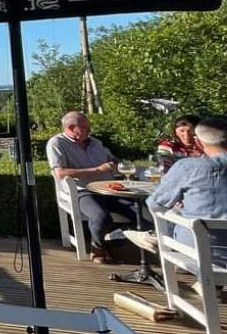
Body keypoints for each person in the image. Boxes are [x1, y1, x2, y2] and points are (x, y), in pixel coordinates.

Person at [46, 111, 134, 263]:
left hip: (109, 189)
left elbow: (113, 160)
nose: (89, 131)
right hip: (83, 191)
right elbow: (60, 173)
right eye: (85, 128)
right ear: (71, 128)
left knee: (143, 213)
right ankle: (98, 247)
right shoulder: (57, 143)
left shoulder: (95, 143)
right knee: (101, 216)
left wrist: (119, 164)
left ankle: (113, 240)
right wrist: (97, 170)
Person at [143, 117, 227, 266]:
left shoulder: (187, 167)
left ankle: (152, 237)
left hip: (200, 250)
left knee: (174, 213)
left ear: (198, 143)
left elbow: (155, 204)